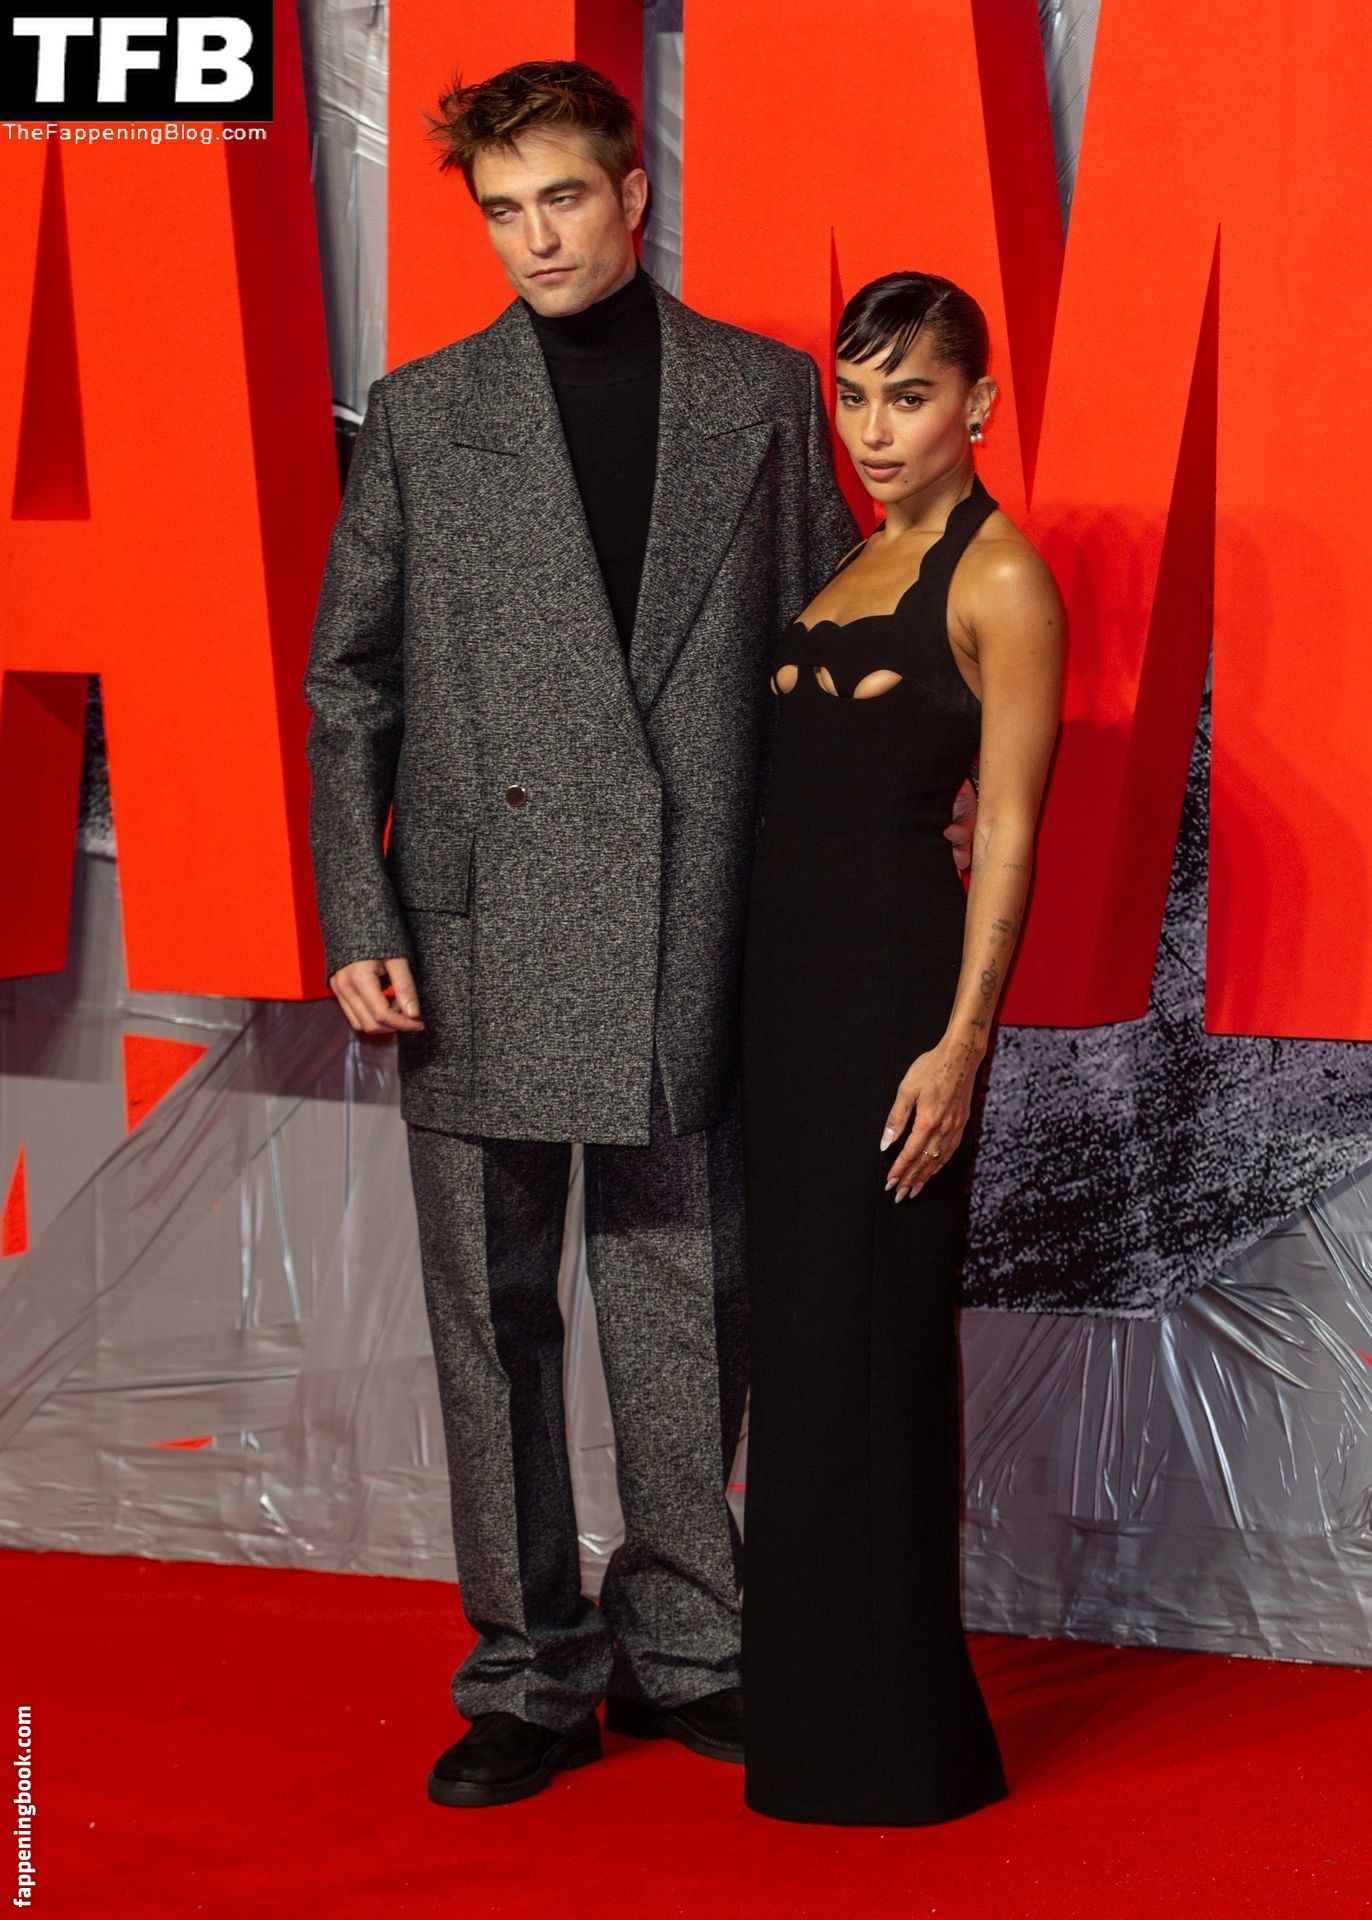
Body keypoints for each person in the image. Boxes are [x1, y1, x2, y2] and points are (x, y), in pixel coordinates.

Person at [302, 61, 974, 1810]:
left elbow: (837, 636)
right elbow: (348, 681)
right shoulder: (426, 412)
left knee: (688, 1302)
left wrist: (942, 778)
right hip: (474, 935)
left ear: (633, 194)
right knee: (493, 1317)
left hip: (698, 914)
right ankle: (529, 1671)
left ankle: (687, 1647)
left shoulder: (757, 395)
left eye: (564, 199)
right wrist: (359, 905)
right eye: (503, 211)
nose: (535, 239)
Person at [739, 271, 1064, 1826]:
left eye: (911, 395)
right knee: (808, 1358)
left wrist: (962, 1044)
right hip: (786, 1008)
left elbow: (1007, 828)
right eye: (857, 396)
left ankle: (903, 1752)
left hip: (893, 1006)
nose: (876, 429)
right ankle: (811, 1728)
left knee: (875, 1355)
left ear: (978, 403)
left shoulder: (1003, 578)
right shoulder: (853, 555)